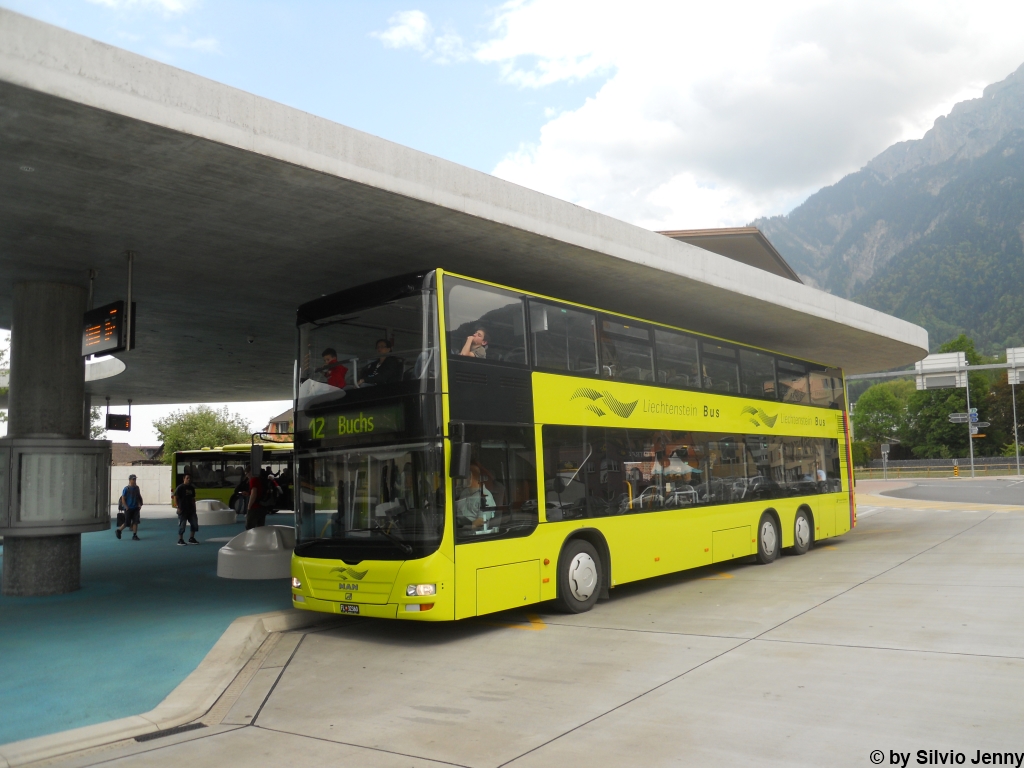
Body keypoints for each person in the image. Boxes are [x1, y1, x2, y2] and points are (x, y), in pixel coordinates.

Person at [455, 464, 496, 531]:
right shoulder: (464, 492)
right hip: (459, 530)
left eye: (466, 477)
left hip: (474, 535)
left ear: (473, 477)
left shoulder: (485, 496)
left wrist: (464, 528)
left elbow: (481, 520)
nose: (463, 479)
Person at [116, 474, 143, 541]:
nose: (134, 480)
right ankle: (119, 530)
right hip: (128, 508)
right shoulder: (126, 489)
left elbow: (138, 497)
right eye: (133, 479)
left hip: (136, 508)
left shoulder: (137, 488)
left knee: (135, 522)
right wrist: (126, 507)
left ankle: (134, 535)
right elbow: (123, 499)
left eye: (135, 479)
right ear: (130, 480)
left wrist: (139, 504)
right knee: (127, 523)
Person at [175, 472, 199, 545]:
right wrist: (178, 507)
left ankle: (191, 538)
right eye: (187, 478)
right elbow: (176, 497)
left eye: (189, 478)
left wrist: (194, 507)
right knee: (182, 524)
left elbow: (192, 498)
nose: (189, 479)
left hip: (191, 509)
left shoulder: (191, 488)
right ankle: (180, 539)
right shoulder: (180, 487)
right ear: (184, 479)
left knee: (194, 523)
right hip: (183, 509)